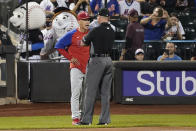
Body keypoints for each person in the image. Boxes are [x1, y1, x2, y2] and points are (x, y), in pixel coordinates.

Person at [80, 8, 115, 125]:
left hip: (97, 61)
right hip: (109, 61)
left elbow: (83, 42)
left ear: (100, 17)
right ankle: (105, 120)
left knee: (90, 91)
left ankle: (86, 120)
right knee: (105, 93)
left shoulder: (96, 30)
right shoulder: (112, 30)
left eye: (98, 17)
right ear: (108, 17)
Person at [55, 11, 90, 125]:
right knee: (76, 93)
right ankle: (75, 118)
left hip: (89, 66)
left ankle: (85, 117)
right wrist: (70, 57)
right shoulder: (72, 34)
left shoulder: (91, 33)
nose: (87, 22)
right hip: (76, 67)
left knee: (87, 94)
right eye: (84, 20)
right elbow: (59, 46)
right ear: (79, 21)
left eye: (88, 19)